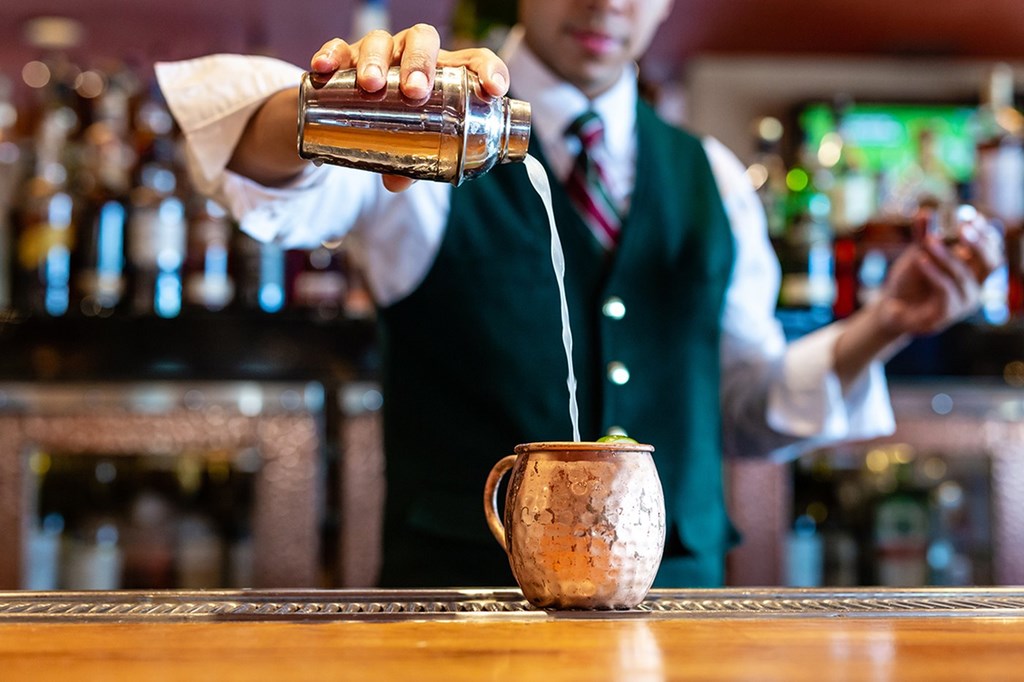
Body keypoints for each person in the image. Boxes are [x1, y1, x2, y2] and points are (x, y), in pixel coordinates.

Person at [155, 0, 1002, 587]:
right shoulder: (437, 131)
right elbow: (271, 170)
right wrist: (336, 106)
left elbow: (742, 408)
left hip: (680, 620)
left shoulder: (712, 179)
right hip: (461, 622)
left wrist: (885, 325)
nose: (603, 4)